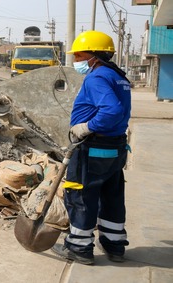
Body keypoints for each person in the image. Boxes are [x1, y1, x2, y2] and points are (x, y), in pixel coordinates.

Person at [51, 30, 131, 265]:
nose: (76, 60)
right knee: (111, 195)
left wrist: (87, 127)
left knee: (81, 195)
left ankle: (79, 247)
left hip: (93, 147)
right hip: (115, 147)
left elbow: (112, 110)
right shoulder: (118, 77)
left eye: (79, 55)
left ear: (94, 55)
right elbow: (119, 112)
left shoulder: (97, 77)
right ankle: (114, 245)